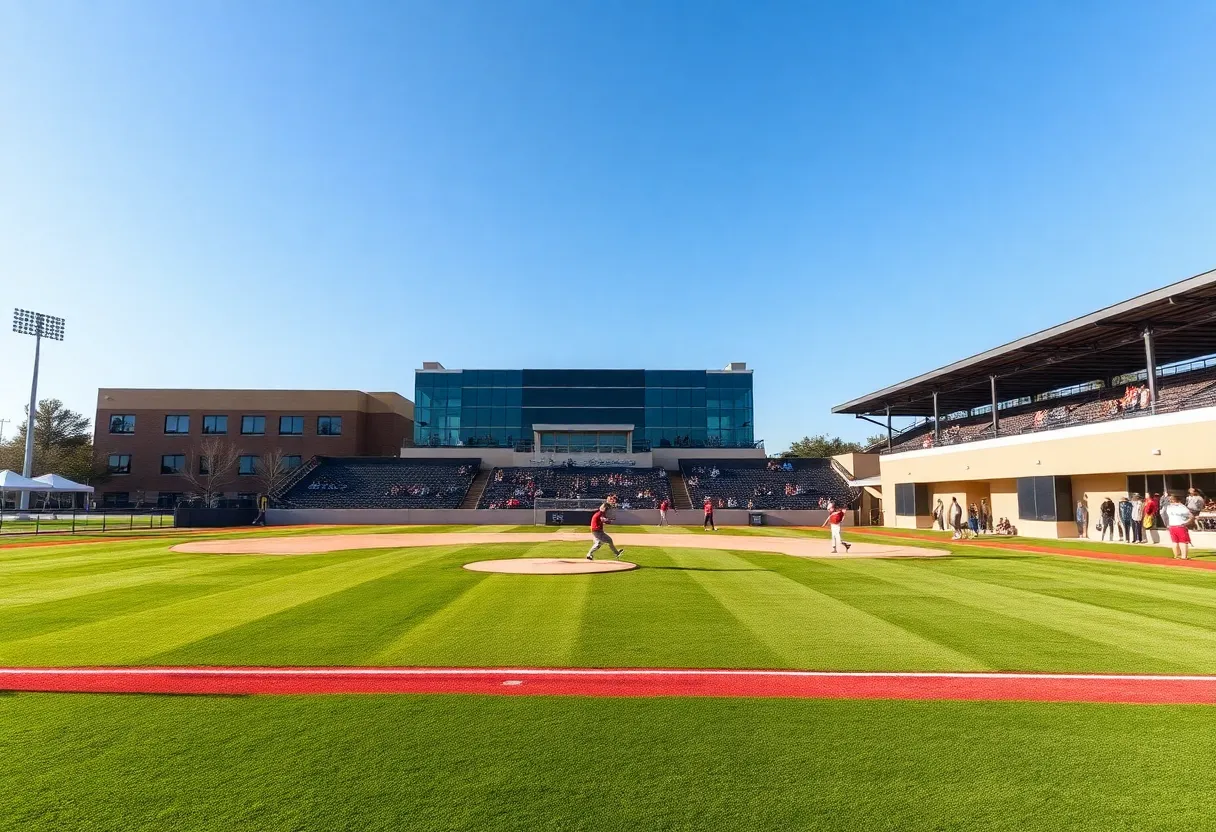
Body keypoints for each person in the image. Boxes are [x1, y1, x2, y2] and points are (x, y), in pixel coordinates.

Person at [1164, 493, 1193, 559]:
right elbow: (1191, 516)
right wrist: (1187, 523)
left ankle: (1176, 556)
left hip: (1172, 526)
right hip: (1180, 526)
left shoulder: (1169, 507)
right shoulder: (1182, 507)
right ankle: (1184, 556)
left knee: (1175, 541)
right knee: (1183, 542)